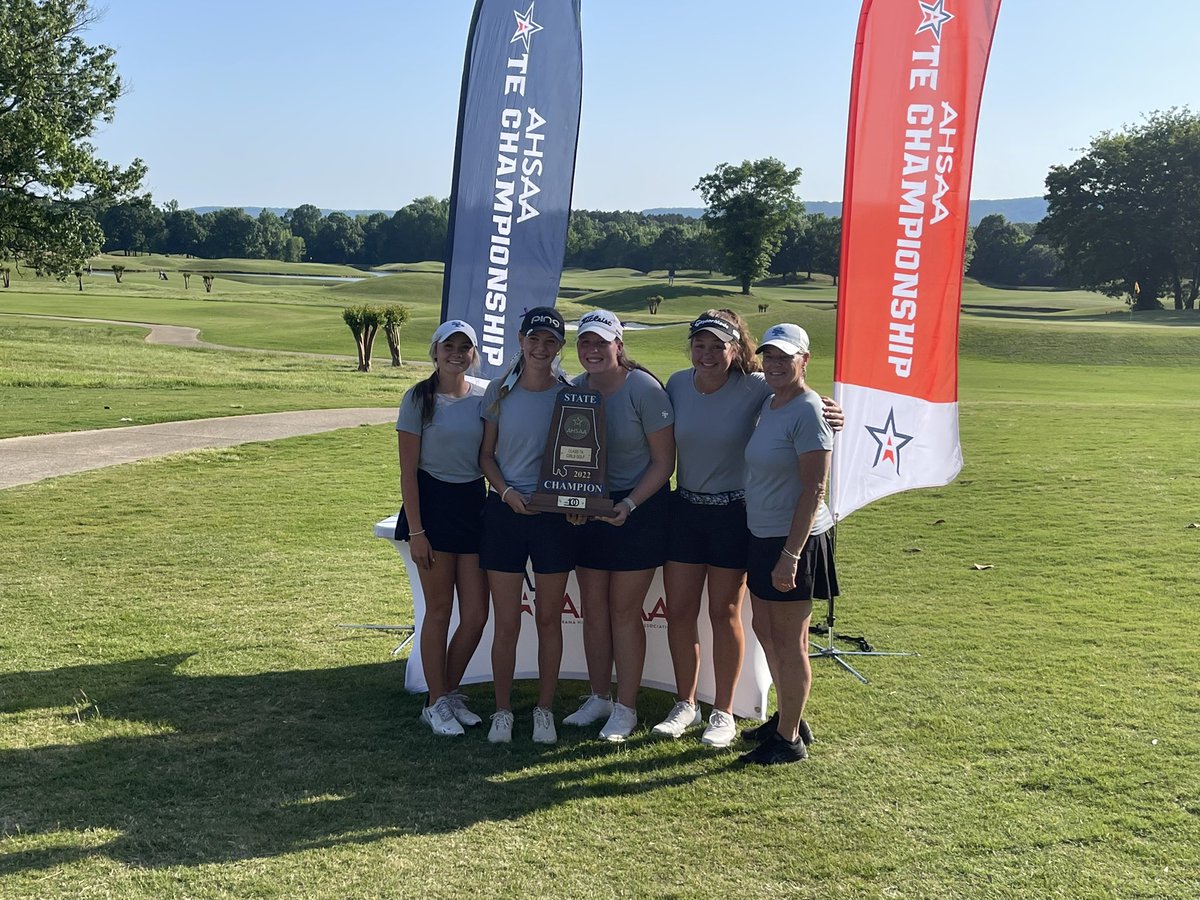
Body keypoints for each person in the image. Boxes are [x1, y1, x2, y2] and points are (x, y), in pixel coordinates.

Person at [656, 311, 843, 748]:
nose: (707, 354)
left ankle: (722, 712)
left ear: (736, 349)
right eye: (699, 345)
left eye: (717, 346)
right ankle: (686, 703)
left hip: (735, 514)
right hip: (685, 508)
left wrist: (832, 410)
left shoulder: (757, 384)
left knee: (725, 614)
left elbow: (802, 401)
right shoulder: (677, 384)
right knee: (679, 611)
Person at [561, 309, 675, 741]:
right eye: (585, 342)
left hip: (638, 510)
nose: (592, 350)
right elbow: (565, 459)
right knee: (593, 611)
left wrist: (627, 503)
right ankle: (599, 697)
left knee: (625, 612)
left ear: (619, 346)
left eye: (601, 343)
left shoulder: (644, 389)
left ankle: (626, 707)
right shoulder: (572, 388)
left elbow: (665, 463)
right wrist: (570, 502)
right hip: (589, 512)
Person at [738, 323, 837, 765]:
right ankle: (788, 718)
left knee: (789, 640)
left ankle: (789, 740)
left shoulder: (808, 410)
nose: (775, 364)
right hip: (762, 532)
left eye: (785, 357)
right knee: (765, 628)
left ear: (804, 360)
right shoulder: (772, 399)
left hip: (795, 539)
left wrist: (790, 556)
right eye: (770, 357)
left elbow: (813, 488)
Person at [477, 307, 576, 745]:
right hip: (505, 513)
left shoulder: (571, 395)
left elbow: (583, 461)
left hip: (553, 518)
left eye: (550, 342)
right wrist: (505, 493)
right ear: (520, 340)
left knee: (549, 619)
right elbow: (486, 456)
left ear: (559, 348)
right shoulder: (499, 390)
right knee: (507, 622)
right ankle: (502, 711)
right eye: (534, 339)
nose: (540, 348)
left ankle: (544, 710)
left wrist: (573, 500)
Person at [396, 320, 489, 737]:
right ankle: (435, 703)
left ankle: (446, 692)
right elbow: (408, 473)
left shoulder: (485, 398)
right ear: (435, 352)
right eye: (448, 345)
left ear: (474, 353)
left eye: (464, 346)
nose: (456, 352)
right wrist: (417, 532)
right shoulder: (418, 398)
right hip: (431, 506)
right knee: (439, 611)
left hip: (472, 504)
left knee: (475, 615)